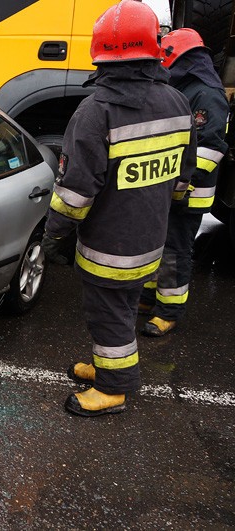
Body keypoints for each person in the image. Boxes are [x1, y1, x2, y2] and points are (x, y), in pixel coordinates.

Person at [42, 0, 196, 417]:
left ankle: (113, 388)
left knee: (108, 313)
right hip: (152, 238)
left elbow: (75, 193)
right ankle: (107, 364)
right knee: (124, 307)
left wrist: (53, 235)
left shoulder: (96, 112)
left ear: (100, 55)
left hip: (109, 245)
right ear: (153, 49)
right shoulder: (178, 103)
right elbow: (183, 175)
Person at [140, 29, 229, 337]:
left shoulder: (206, 93)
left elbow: (210, 149)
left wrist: (180, 184)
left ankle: (169, 312)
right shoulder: (184, 87)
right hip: (167, 191)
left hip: (187, 195)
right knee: (158, 246)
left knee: (175, 252)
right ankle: (150, 298)